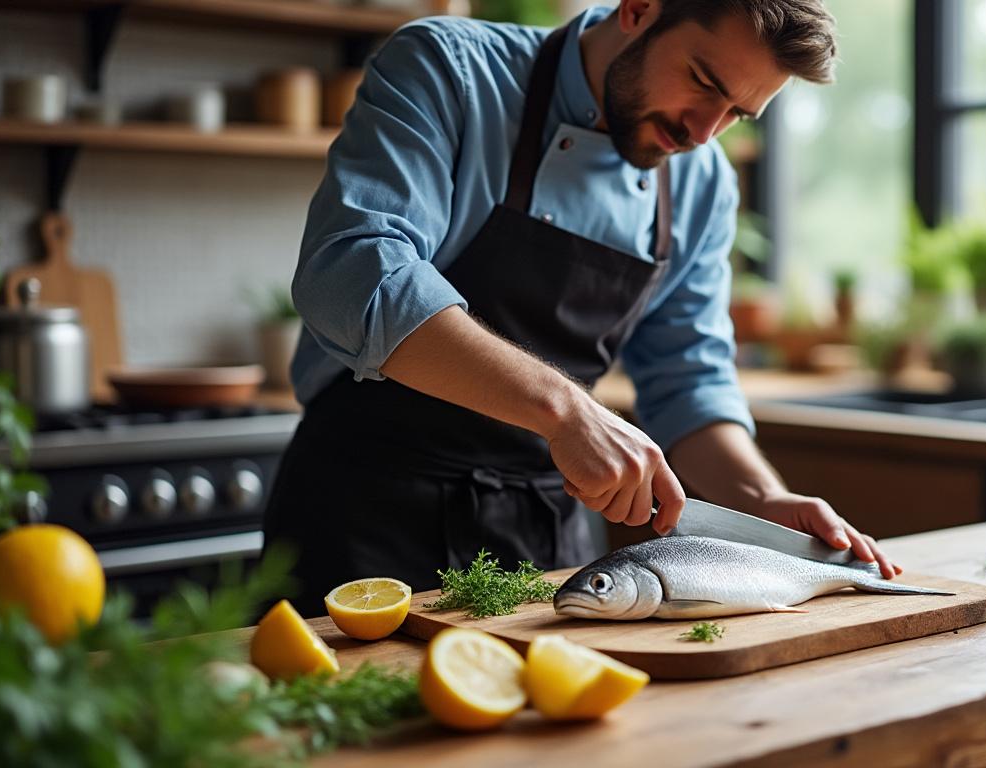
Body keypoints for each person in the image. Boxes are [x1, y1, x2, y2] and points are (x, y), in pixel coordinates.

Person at [263, 0, 897, 615]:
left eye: (737, 113)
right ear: (639, 8)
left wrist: (761, 497)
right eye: (703, 81)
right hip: (363, 516)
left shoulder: (703, 184)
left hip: (551, 546)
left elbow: (688, 382)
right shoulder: (451, 70)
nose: (702, 133)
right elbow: (352, 275)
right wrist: (565, 411)